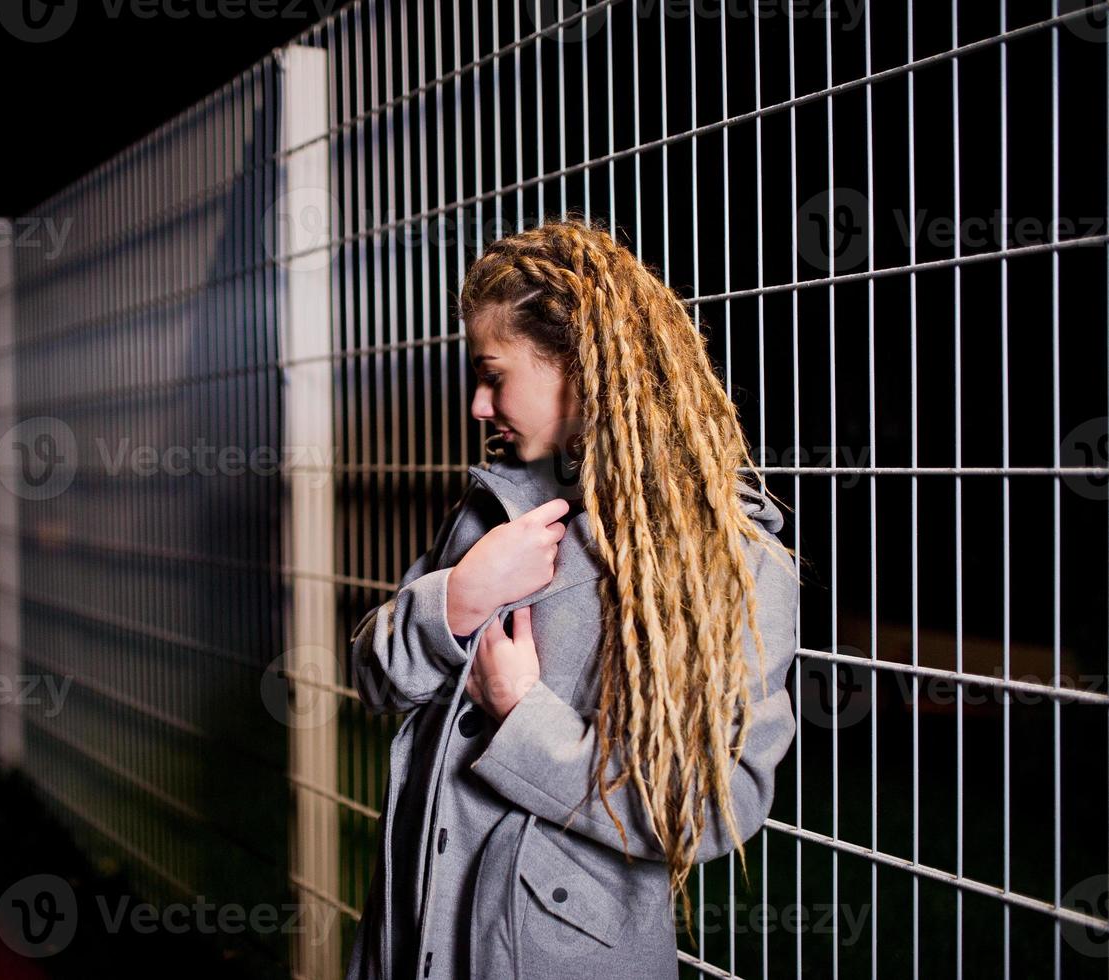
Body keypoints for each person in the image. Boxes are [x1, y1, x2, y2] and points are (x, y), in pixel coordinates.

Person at [343, 215, 803, 980]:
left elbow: (709, 807)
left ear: (581, 367)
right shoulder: (491, 511)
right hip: (409, 943)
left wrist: (523, 716)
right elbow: (371, 677)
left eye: (494, 375)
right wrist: (455, 598)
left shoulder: (728, 562)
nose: (477, 409)